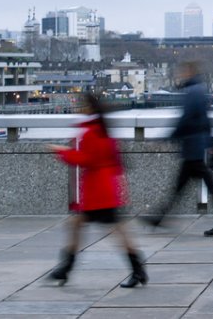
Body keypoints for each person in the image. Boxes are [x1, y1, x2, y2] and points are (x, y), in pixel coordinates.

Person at [48, 93, 147, 288]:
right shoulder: (102, 129)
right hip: (104, 188)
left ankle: (137, 270)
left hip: (98, 192)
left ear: (90, 108)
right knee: (85, 225)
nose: (79, 108)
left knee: (111, 230)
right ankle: (66, 268)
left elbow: (86, 159)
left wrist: (61, 151)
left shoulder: (91, 132)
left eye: (82, 105)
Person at [142, 61, 213, 236]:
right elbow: (206, 120)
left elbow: (185, 119)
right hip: (197, 147)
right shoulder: (199, 90)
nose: (179, 75)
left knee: (197, 187)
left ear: (188, 72)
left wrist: (165, 139)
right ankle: (159, 217)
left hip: (193, 148)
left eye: (181, 72)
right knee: (183, 187)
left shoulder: (192, 92)